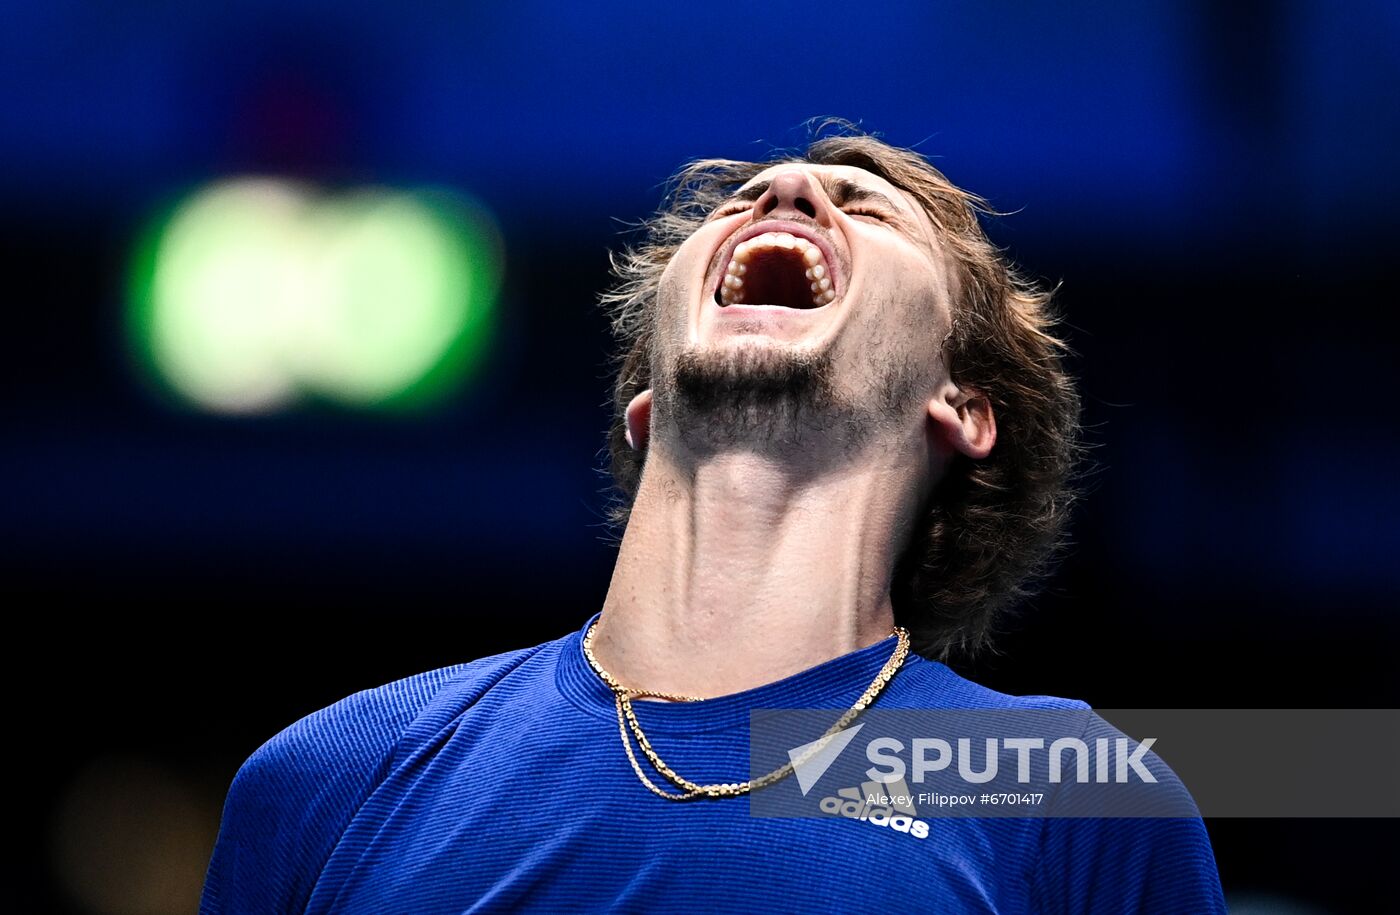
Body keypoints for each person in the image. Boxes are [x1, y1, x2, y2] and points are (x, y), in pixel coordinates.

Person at [200, 128, 1226, 913]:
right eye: (734, 199)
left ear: (959, 406)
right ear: (645, 401)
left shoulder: (1060, 792)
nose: (784, 190)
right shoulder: (334, 776)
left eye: (867, 212)